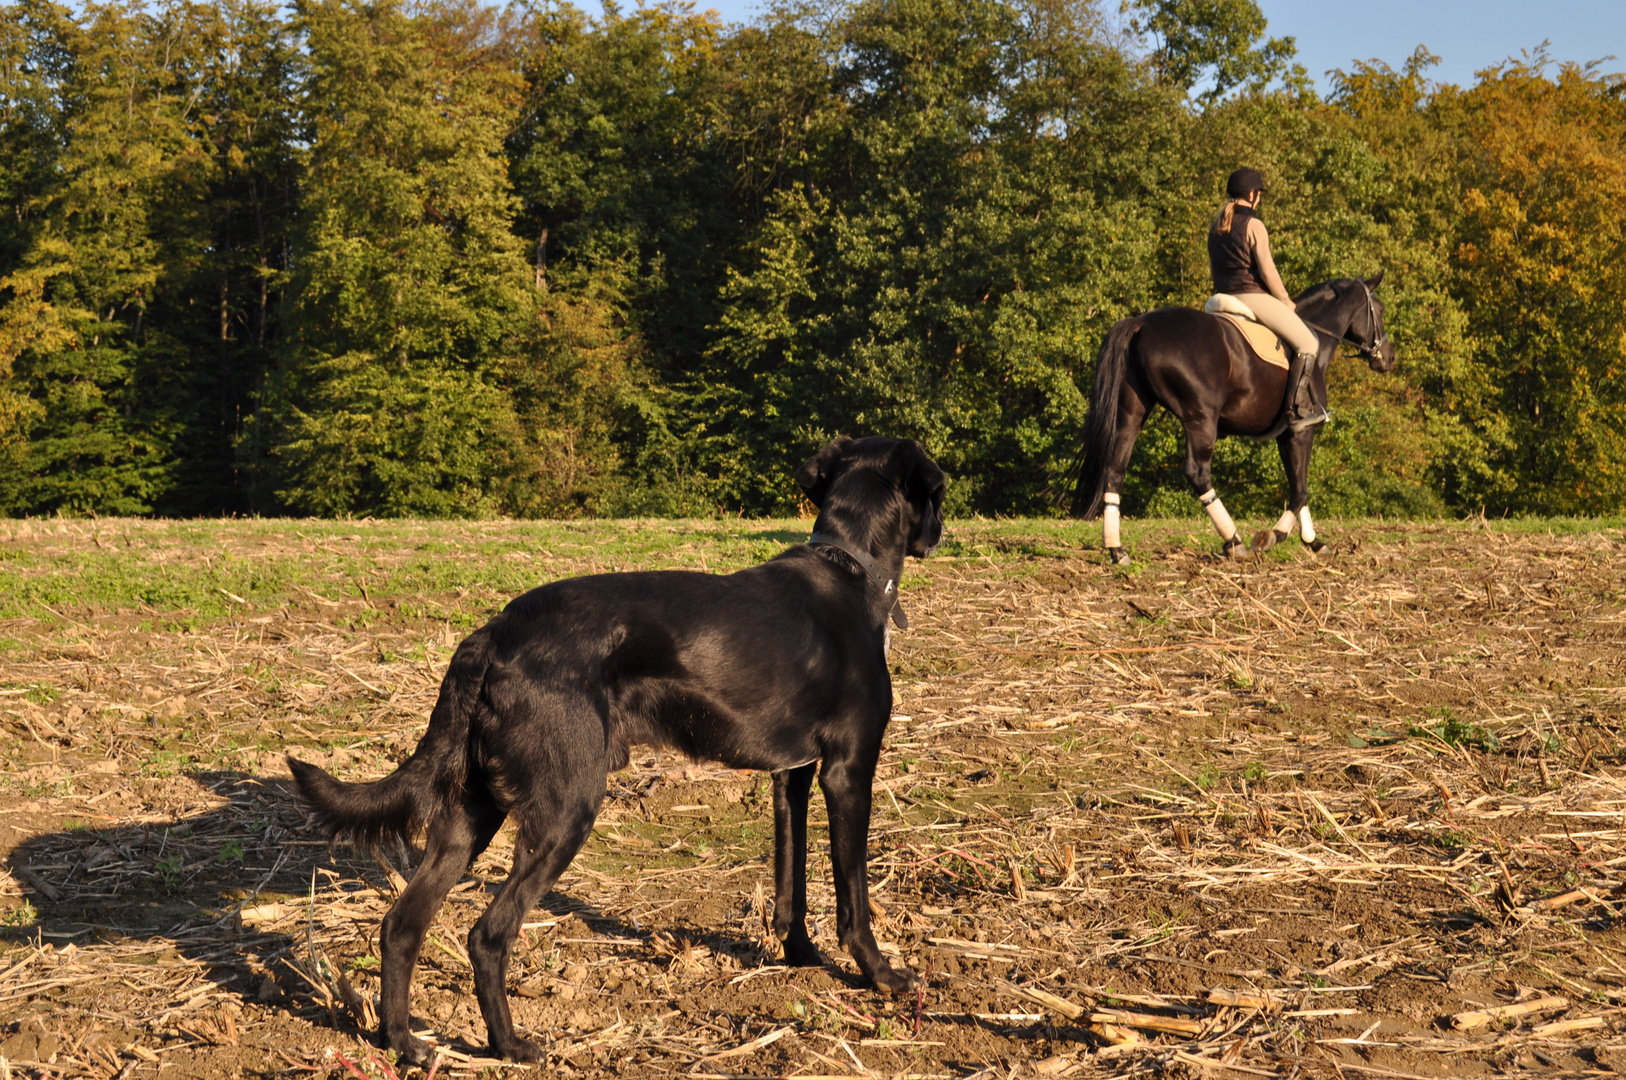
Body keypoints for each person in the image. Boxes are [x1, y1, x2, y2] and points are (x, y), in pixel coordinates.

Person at [1208, 167, 1327, 429]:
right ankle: (1297, 411)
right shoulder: (1253, 225)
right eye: (1259, 194)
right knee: (1308, 342)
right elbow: (1267, 270)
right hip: (1250, 296)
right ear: (1251, 195)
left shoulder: (1216, 225)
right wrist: (1285, 300)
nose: (1259, 198)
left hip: (1220, 298)